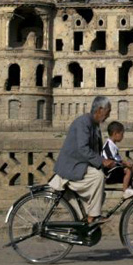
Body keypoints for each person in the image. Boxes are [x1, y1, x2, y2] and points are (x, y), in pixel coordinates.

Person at [49, 96, 115, 224]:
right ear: (100, 109)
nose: (108, 115)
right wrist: (101, 162)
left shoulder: (94, 125)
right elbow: (83, 149)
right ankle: (93, 216)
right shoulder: (83, 122)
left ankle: (85, 221)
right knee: (98, 177)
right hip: (72, 166)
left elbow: (95, 151)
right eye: (108, 111)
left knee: (99, 192)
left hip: (80, 165)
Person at [102, 121, 133, 199]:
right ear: (115, 134)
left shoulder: (113, 145)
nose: (123, 136)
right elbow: (111, 161)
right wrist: (126, 164)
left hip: (113, 170)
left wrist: (127, 163)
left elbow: (118, 160)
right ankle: (125, 191)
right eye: (122, 134)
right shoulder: (109, 146)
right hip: (109, 173)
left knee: (132, 172)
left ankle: (130, 190)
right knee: (128, 170)